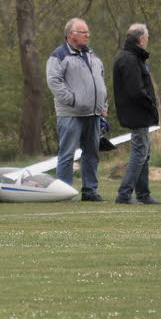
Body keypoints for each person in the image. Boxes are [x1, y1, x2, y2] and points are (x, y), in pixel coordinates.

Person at [46, 18, 108, 202]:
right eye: (83, 32)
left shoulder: (92, 55)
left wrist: (103, 106)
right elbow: (54, 82)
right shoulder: (58, 56)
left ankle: (90, 191)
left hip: (94, 114)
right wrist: (73, 100)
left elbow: (101, 81)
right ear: (71, 34)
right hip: (71, 114)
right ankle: (63, 193)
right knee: (67, 154)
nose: (87, 35)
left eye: (88, 32)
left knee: (92, 153)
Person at [112, 23, 161, 205]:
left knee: (144, 152)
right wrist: (150, 104)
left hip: (137, 113)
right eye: (147, 37)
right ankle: (124, 195)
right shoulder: (130, 60)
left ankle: (143, 194)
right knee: (139, 152)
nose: (148, 41)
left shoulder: (132, 58)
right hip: (137, 114)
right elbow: (136, 91)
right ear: (141, 39)